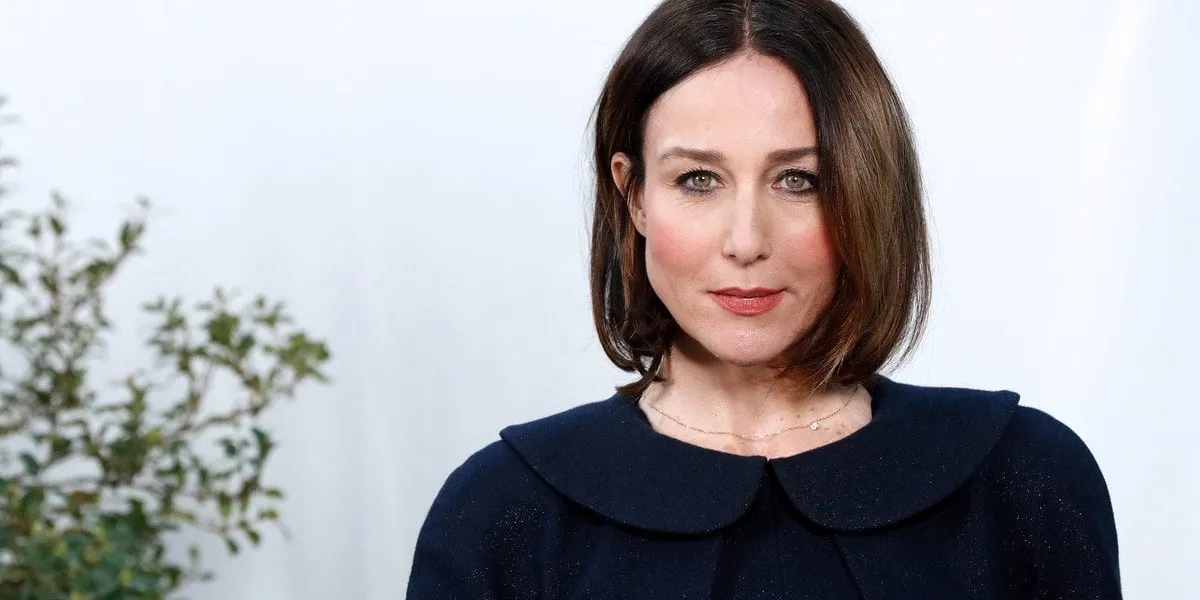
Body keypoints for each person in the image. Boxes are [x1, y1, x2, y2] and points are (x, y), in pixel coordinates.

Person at [406, 0, 1122, 598]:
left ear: (865, 196)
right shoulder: (503, 512)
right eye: (698, 180)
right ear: (634, 196)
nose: (746, 241)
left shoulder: (1023, 483)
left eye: (799, 181)